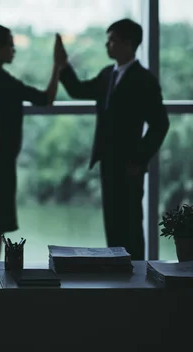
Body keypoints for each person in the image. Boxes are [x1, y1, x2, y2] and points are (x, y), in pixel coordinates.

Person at [55, 18, 170, 260]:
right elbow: (78, 90)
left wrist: (138, 160)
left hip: (130, 165)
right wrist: (63, 66)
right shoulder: (108, 75)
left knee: (130, 224)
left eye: (112, 41)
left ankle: (137, 279)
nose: (108, 46)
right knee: (113, 224)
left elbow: (160, 124)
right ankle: (117, 277)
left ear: (128, 44)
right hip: (108, 162)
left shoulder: (144, 80)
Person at [0, 24, 62, 261]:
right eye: (9, 45)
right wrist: (57, 66)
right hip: (1, 155)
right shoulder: (1, 80)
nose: (13, 49)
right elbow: (46, 98)